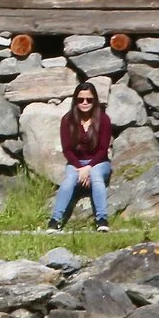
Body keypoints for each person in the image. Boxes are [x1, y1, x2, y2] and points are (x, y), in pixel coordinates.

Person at [51, 81, 114, 232]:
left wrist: (89, 167)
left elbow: (103, 150)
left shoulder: (104, 120)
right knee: (69, 180)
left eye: (89, 100)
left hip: (98, 162)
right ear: (75, 101)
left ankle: (102, 219)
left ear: (95, 100)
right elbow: (67, 150)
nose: (85, 103)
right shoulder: (67, 120)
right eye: (80, 100)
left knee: (96, 176)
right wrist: (80, 168)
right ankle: (55, 220)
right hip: (76, 163)